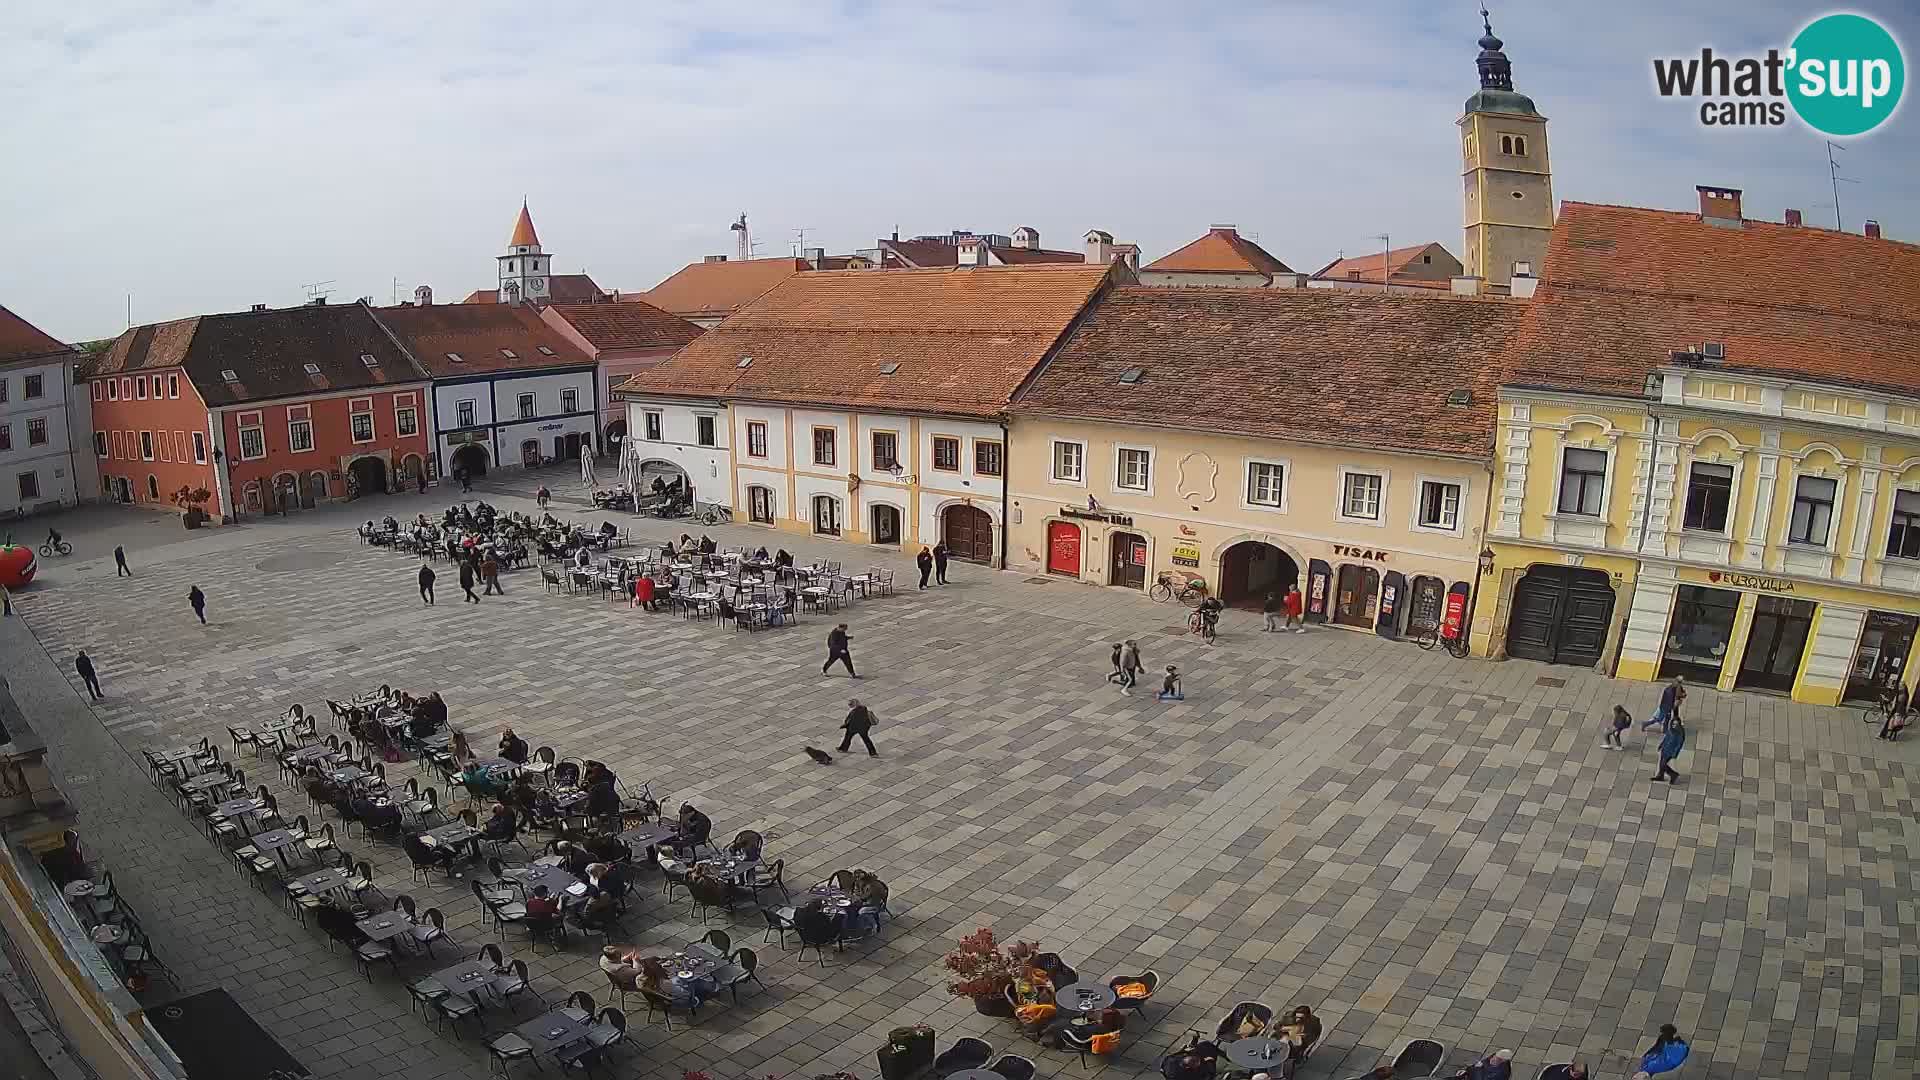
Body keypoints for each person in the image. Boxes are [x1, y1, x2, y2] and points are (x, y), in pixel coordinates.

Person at [639, 955, 713, 1008]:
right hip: (681, 1001)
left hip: (663, 994)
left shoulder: (640, 979)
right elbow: (685, 994)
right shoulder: (665, 983)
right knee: (694, 982)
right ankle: (708, 990)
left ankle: (708, 986)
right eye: (659, 965)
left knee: (679, 979)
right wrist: (689, 987)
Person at [1655, 716, 1687, 783]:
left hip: (1670, 751)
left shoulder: (1680, 733)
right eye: (1673, 724)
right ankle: (1660, 775)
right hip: (1665, 748)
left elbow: (1679, 744)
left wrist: (1675, 753)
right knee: (1661, 763)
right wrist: (1661, 745)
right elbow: (1666, 737)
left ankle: (1673, 774)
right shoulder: (1670, 729)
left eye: (1676, 724)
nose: (1674, 726)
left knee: (1663, 764)